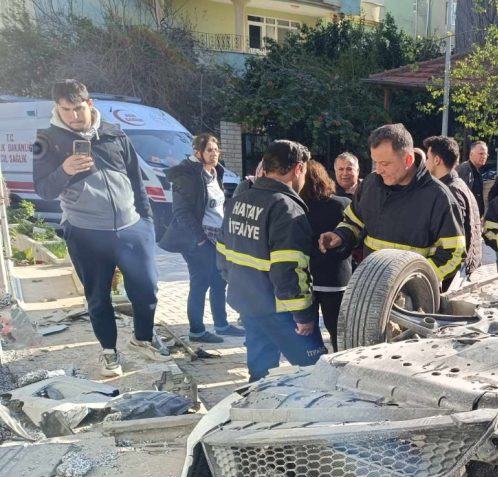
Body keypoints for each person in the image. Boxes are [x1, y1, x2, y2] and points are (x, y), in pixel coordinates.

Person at [32, 79, 168, 376]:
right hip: (85, 232)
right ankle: (109, 352)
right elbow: (43, 189)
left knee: (147, 290)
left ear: (89, 104)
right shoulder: (47, 139)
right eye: (65, 110)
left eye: (78, 108)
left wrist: (146, 222)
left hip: (132, 227)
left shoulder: (113, 133)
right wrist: (64, 170)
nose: (73, 116)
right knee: (98, 296)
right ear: (57, 108)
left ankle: (142, 339)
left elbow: (136, 179)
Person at [219, 140, 325, 382]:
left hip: (247, 302)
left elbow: (222, 253)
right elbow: (289, 268)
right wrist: (303, 315)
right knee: (317, 370)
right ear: (298, 169)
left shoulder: (238, 200)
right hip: (281, 310)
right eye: (305, 173)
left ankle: (257, 411)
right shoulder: (286, 208)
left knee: (260, 371)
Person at [318, 124, 465, 287]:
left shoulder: (439, 197)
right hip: (369, 287)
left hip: (411, 299)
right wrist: (340, 236)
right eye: (375, 163)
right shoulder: (370, 184)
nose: (378, 170)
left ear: (408, 160)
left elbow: (455, 253)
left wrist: (417, 281)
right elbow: (354, 221)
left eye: (385, 164)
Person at [162, 134, 245, 344]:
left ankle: (221, 325)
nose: (214, 153)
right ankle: (197, 331)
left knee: (219, 281)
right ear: (198, 153)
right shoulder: (187, 175)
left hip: (217, 237)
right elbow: (181, 212)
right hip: (197, 240)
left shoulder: (215, 172)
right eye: (210, 150)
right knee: (200, 283)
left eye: (216, 150)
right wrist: (200, 240)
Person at [301, 160, 352, 351]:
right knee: (338, 330)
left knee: (308, 331)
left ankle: (314, 364)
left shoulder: (297, 208)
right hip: (336, 278)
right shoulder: (343, 204)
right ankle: (341, 363)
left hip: (308, 278)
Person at [424, 135, 482, 285]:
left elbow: (455, 247)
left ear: (437, 160)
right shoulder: (457, 184)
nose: (425, 163)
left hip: (453, 276)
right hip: (461, 271)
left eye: (428, 158)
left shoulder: (450, 192)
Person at [456, 140, 488, 215]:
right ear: (471, 154)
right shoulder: (465, 169)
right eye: (481, 153)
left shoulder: (477, 171)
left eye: (486, 154)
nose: (484, 156)